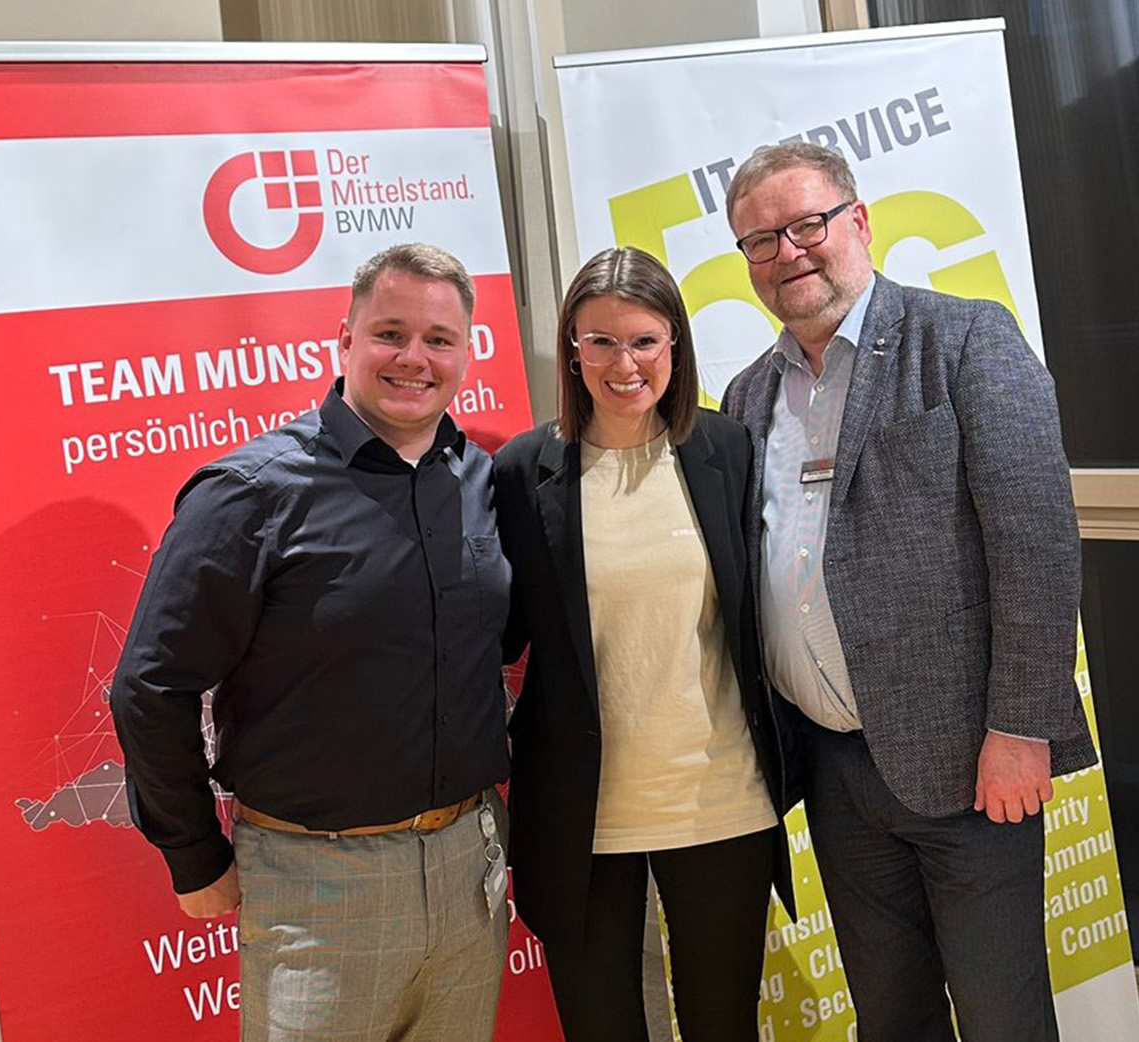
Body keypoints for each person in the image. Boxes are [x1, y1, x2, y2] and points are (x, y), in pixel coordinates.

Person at [719, 142, 1095, 1041]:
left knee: (1004, 1015)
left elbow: (1037, 544)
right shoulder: (746, 397)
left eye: (806, 224)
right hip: (839, 771)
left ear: (859, 222)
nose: (788, 252)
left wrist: (1020, 728)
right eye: (761, 241)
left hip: (973, 761)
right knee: (891, 1018)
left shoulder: (964, 338)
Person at [110, 243, 513, 1041]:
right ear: (345, 339)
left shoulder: (477, 477)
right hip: (316, 889)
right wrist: (194, 855)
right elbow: (151, 685)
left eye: (439, 339)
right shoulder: (253, 494)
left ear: (467, 352)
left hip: (472, 872)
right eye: (389, 332)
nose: (413, 358)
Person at [493, 246, 796, 1040]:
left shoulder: (725, 451)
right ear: (572, 350)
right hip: (581, 814)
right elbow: (500, 632)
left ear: (674, 348)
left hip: (718, 798)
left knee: (721, 1025)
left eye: (644, 341)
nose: (623, 363)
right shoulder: (523, 472)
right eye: (600, 341)